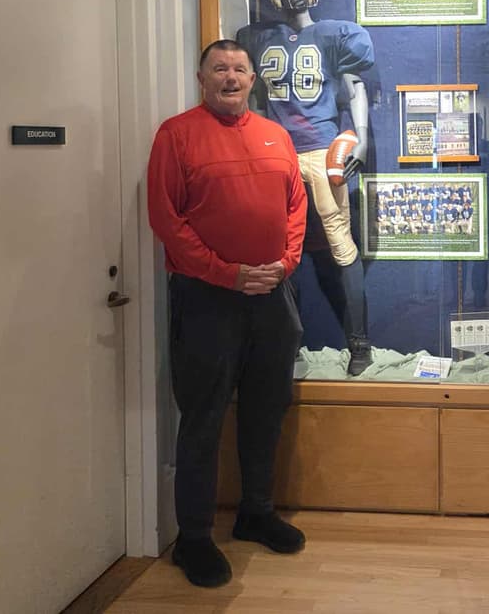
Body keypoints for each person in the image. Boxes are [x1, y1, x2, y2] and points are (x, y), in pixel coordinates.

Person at [148, 39, 308, 589]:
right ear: (201, 77)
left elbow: (295, 206)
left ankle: (255, 512)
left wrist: (284, 264)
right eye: (220, 68)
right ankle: (193, 538)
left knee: (267, 407)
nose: (231, 77)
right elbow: (167, 220)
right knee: (202, 419)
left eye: (240, 68)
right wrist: (227, 273)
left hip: (272, 294)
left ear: (253, 78)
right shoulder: (176, 134)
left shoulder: (276, 135)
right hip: (206, 298)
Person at [238, 0, 376, 377]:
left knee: (340, 244)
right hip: (275, 153)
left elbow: (354, 87)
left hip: (320, 149)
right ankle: (285, 342)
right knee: (278, 249)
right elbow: (255, 101)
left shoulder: (337, 35)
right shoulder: (257, 38)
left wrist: (362, 139)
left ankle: (359, 344)